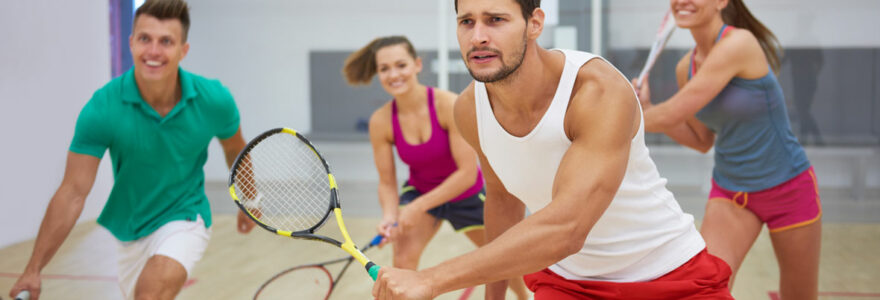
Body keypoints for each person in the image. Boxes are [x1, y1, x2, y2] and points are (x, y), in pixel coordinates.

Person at [371, 0, 733, 299]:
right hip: (567, 283)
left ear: (535, 23)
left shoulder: (595, 90)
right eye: (466, 21)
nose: (478, 36)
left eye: (496, 20)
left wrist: (431, 279)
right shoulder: (470, 109)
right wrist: (494, 298)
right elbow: (502, 200)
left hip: (668, 273)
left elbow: (568, 227)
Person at [8, 1, 256, 299]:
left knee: (150, 294)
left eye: (166, 41)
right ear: (131, 43)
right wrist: (33, 269)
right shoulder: (103, 107)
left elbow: (235, 150)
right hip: (130, 229)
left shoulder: (213, 99)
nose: (153, 51)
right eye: (145, 39)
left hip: (185, 216)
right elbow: (73, 192)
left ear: (183, 51)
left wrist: (250, 198)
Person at [633, 0, 821, 299]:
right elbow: (701, 139)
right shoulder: (686, 67)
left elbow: (672, 113)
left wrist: (620, 115)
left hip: (789, 188)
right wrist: (647, 108)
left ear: (721, 2)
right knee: (706, 290)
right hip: (732, 195)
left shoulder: (739, 44)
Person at [342, 35, 529, 300]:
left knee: (503, 262)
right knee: (402, 263)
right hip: (421, 192)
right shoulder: (381, 121)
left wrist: (416, 208)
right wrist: (388, 216)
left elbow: (465, 174)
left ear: (417, 65)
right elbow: (386, 182)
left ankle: (525, 298)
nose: (394, 74)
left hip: (466, 195)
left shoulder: (448, 105)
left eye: (401, 65)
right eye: (384, 69)